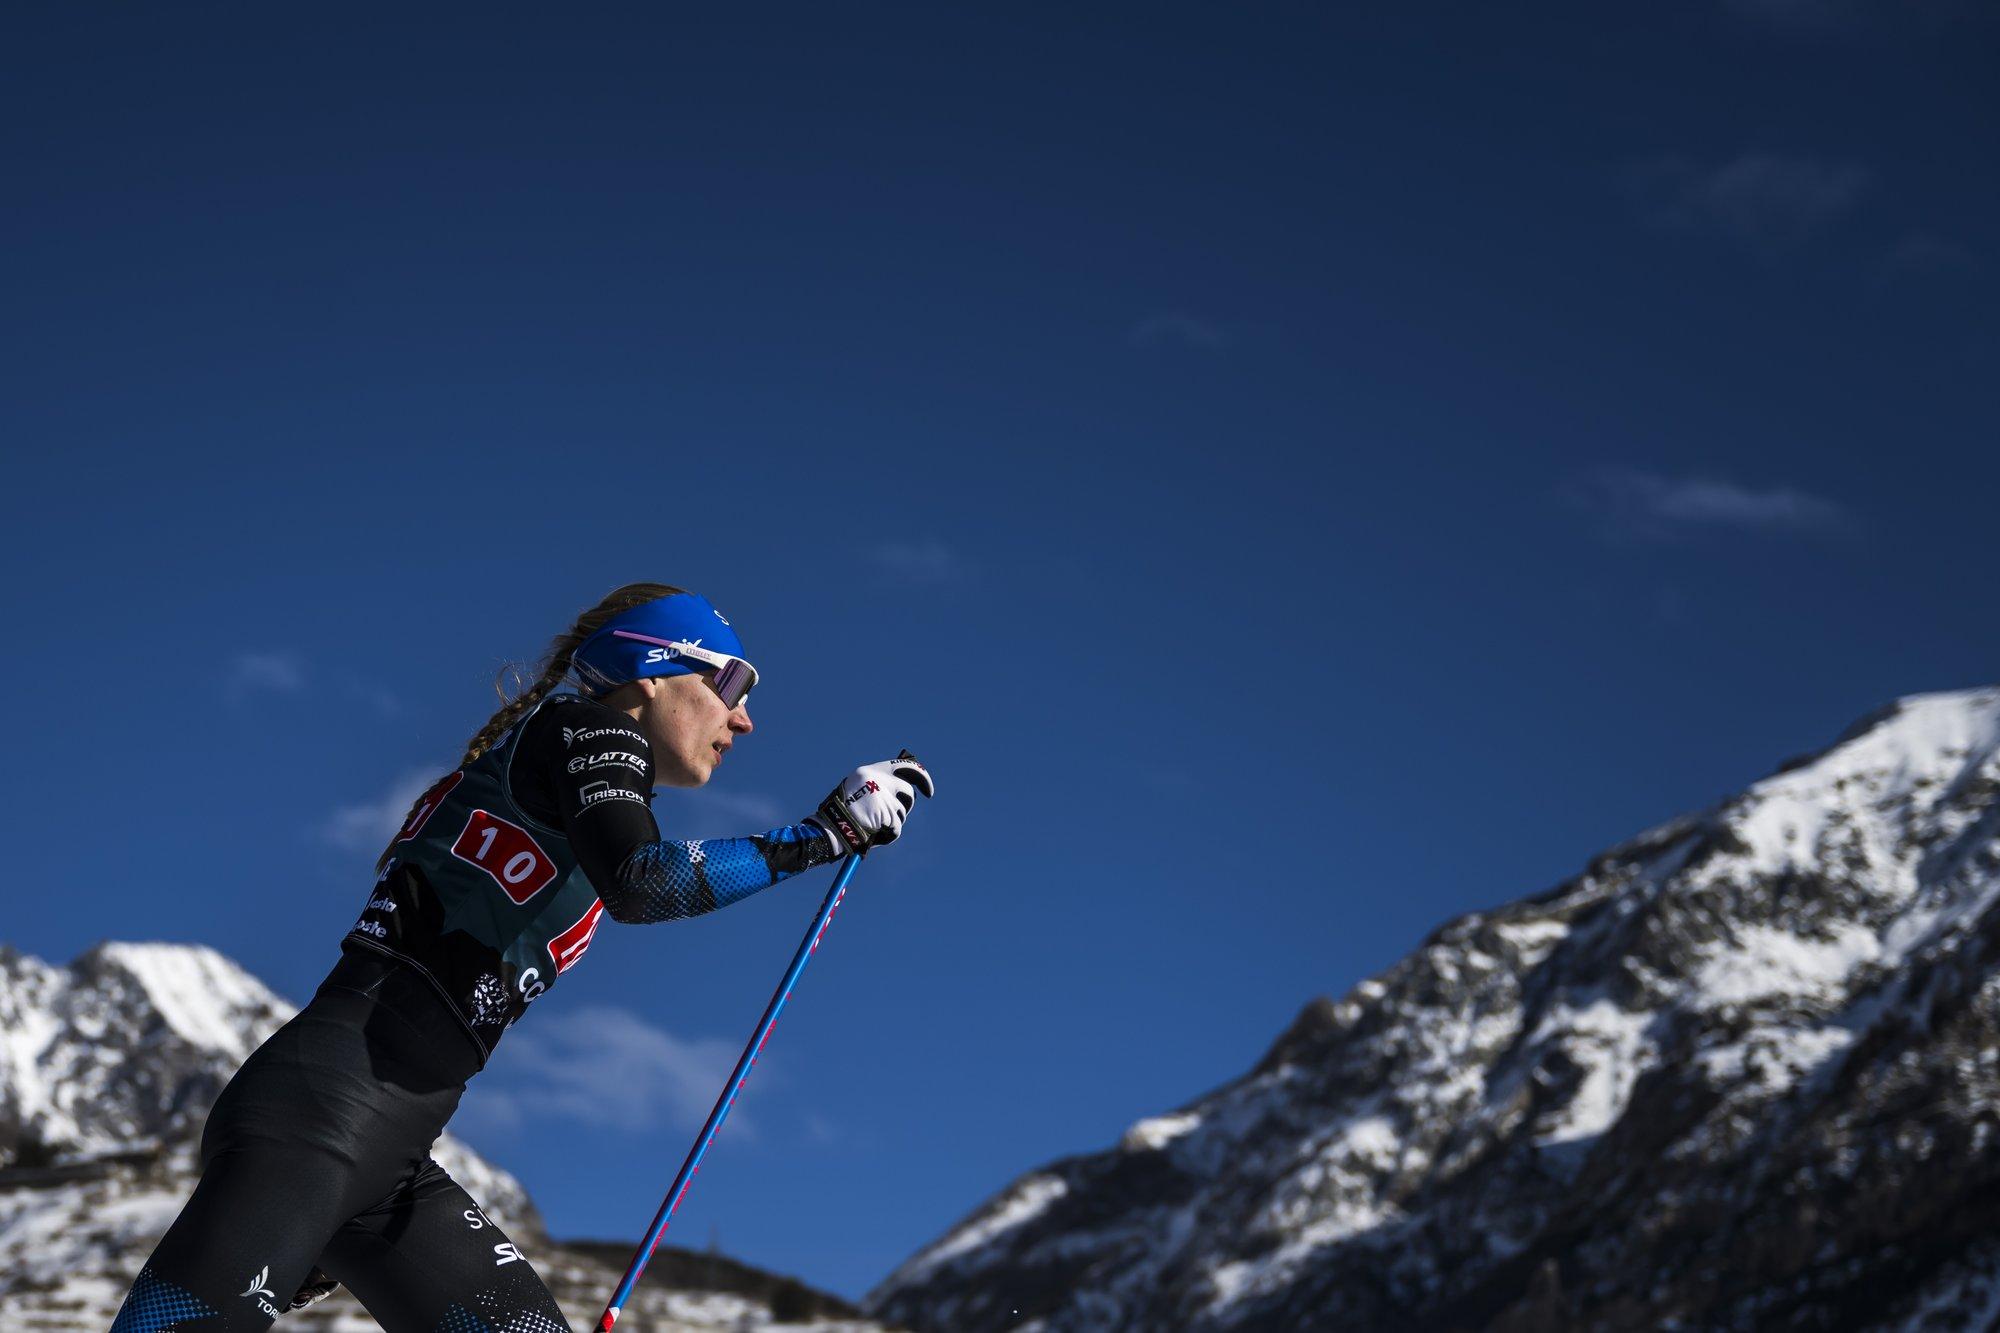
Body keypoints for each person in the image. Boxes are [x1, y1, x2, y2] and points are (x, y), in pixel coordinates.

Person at [109, 582, 933, 1333]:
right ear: (652, 669)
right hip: (321, 1118)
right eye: (732, 685)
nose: (743, 718)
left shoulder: (558, 760)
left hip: (384, 1157)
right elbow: (642, 883)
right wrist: (821, 836)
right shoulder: (590, 730)